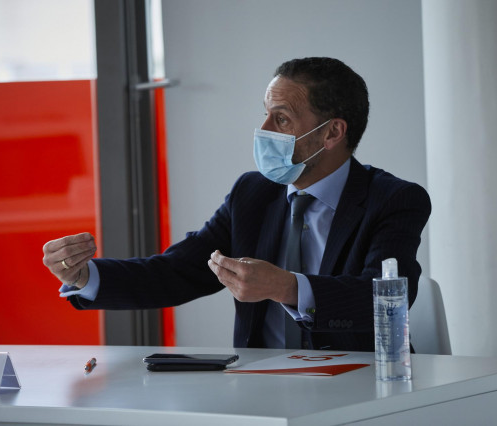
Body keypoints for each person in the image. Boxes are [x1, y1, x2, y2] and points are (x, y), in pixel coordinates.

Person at [42, 57, 431, 351]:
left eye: (281, 119)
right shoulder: (253, 194)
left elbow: (384, 297)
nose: (262, 131)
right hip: (258, 392)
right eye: (265, 115)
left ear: (332, 132)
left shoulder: (393, 200)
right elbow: (178, 270)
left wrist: (287, 287)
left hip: (361, 389)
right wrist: (84, 277)